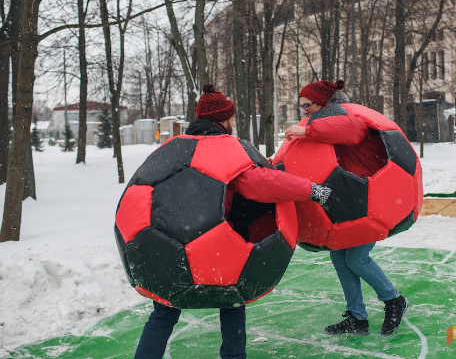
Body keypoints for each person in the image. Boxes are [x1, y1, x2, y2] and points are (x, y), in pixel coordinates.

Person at [135, 83, 333, 359]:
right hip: (213, 249)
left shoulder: (171, 147)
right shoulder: (227, 148)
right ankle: (233, 356)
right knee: (231, 299)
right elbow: (261, 182)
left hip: (168, 251)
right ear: (224, 120)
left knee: (164, 312)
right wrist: (310, 189)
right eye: (230, 118)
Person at [284, 79, 408, 336]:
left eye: (307, 105)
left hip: (373, 199)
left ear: (323, 102)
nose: (304, 111)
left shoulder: (346, 115)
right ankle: (357, 317)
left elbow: (352, 130)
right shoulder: (326, 120)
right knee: (340, 256)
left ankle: (393, 299)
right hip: (352, 200)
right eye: (302, 106)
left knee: (356, 258)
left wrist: (305, 131)